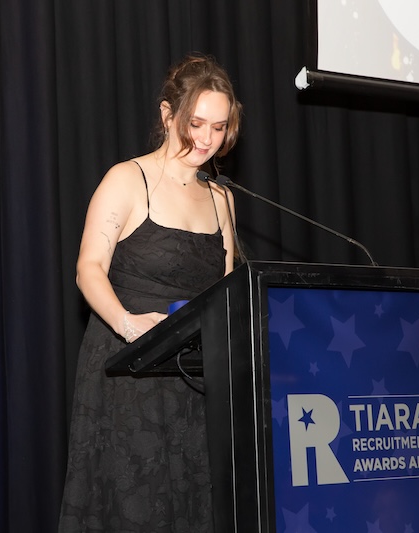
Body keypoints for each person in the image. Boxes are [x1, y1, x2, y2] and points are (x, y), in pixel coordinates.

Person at [58, 53, 243, 533]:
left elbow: (225, 292)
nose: (207, 139)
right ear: (167, 115)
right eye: (195, 124)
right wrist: (127, 324)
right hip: (131, 371)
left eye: (218, 127)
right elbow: (88, 269)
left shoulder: (222, 199)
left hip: (195, 377)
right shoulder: (127, 180)